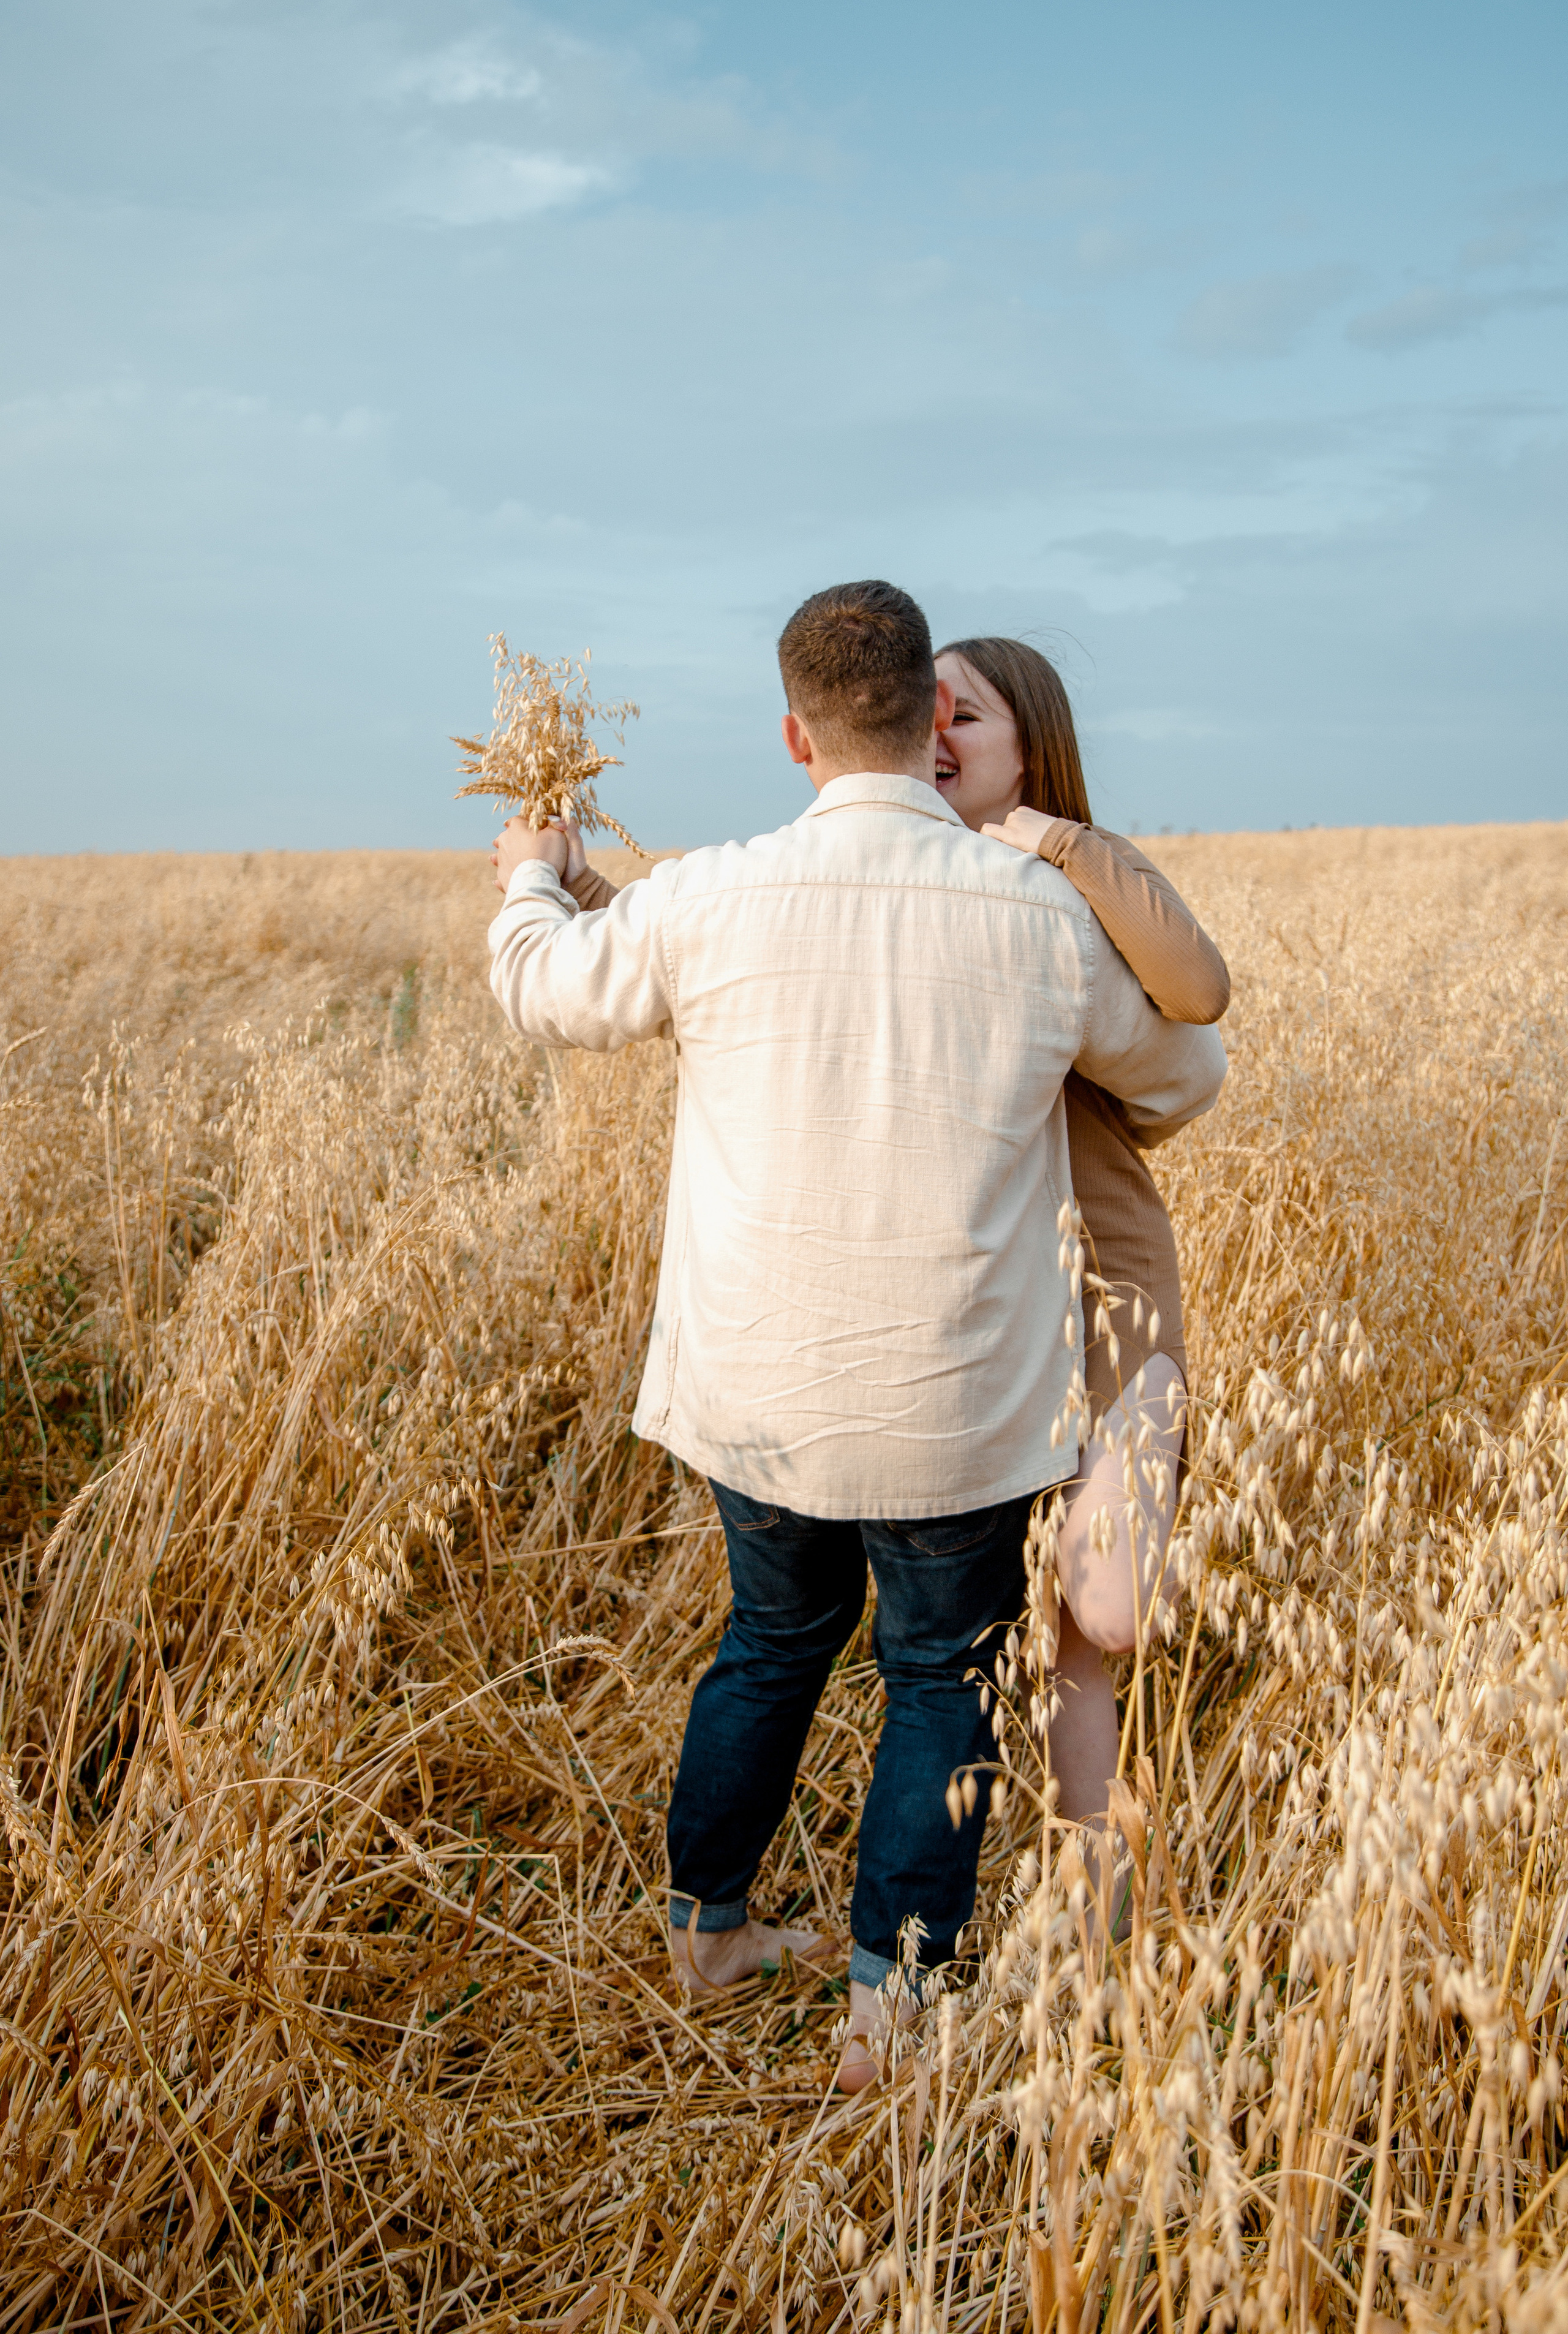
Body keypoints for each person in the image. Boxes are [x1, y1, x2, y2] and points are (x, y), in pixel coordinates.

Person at [486, 582, 1226, 2089]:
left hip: (753, 1396)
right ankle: (890, 2017)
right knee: (938, 1680)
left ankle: (707, 1932)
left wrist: (526, 875)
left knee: (765, 1645)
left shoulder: (707, 893)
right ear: (917, 722)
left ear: (794, 734)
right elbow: (1183, 1072)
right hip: (957, 1407)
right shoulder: (1032, 917)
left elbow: (541, 989)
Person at [930, 636, 1229, 1904]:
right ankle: (1067, 1903)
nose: (931, 729)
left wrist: (1048, 838)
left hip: (1105, 1288)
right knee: (1006, 1632)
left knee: (1095, 1616)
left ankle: (1099, 1902)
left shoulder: (1070, 875)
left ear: (1028, 743)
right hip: (975, 1298)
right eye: (917, 708)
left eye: (967, 714)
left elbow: (1198, 988)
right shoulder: (896, 871)